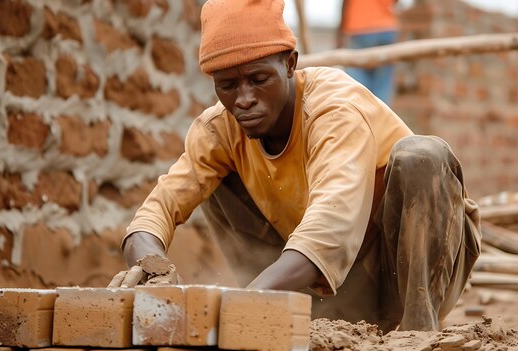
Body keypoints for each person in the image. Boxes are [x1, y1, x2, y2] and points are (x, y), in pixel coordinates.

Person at [109, 0, 481, 332]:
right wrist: (150, 267)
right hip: (338, 286)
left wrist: (233, 304)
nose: (244, 100)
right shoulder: (218, 130)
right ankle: (293, 313)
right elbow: (159, 207)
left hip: (407, 273)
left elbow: (331, 226)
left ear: (290, 64)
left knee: (422, 156)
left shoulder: (334, 109)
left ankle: (418, 330)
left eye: (259, 80)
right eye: (227, 85)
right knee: (213, 175)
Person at [338, 0, 400, 105]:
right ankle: (380, 118)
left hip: (360, 28)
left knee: (355, 90)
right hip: (386, 29)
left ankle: (357, 116)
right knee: (381, 90)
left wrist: (340, 32)